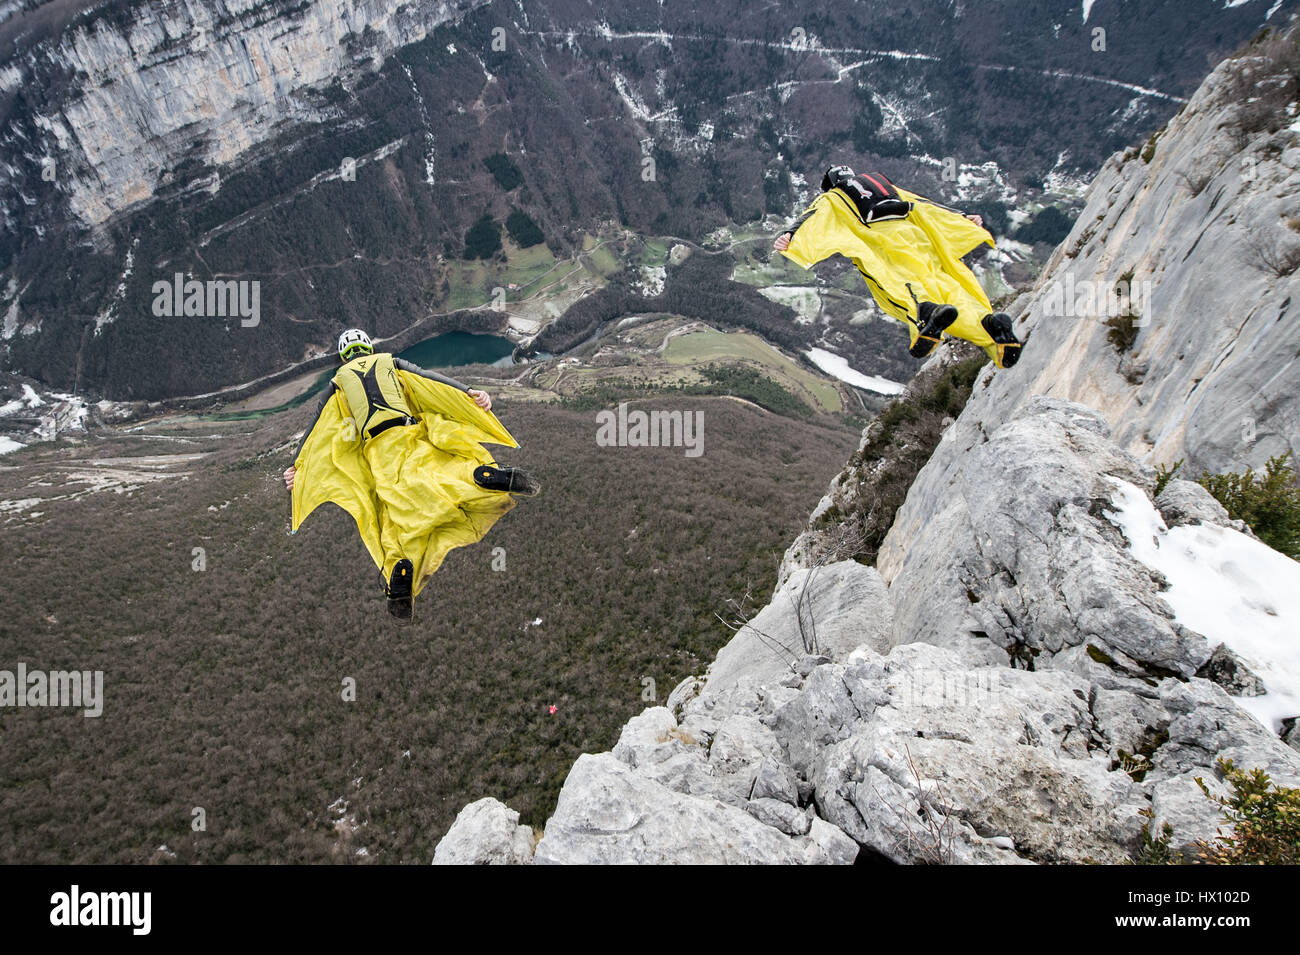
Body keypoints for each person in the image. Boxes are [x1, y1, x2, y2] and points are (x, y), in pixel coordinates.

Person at [284, 329, 539, 619]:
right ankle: (478, 475)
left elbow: (317, 432)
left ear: (344, 356)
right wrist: (469, 393)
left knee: (390, 510)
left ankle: (401, 566)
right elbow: (431, 381)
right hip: (409, 431)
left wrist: (297, 468)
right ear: (368, 348)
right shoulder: (390, 363)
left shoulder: (338, 384)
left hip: (379, 449)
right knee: (439, 470)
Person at [774, 166, 1022, 368]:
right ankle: (992, 331)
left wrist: (789, 237)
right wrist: (961, 217)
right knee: (946, 282)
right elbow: (924, 204)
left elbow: (812, 216)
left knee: (902, 288)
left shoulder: (833, 197)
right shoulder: (881, 184)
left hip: (883, 247)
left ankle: (925, 316)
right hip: (917, 239)